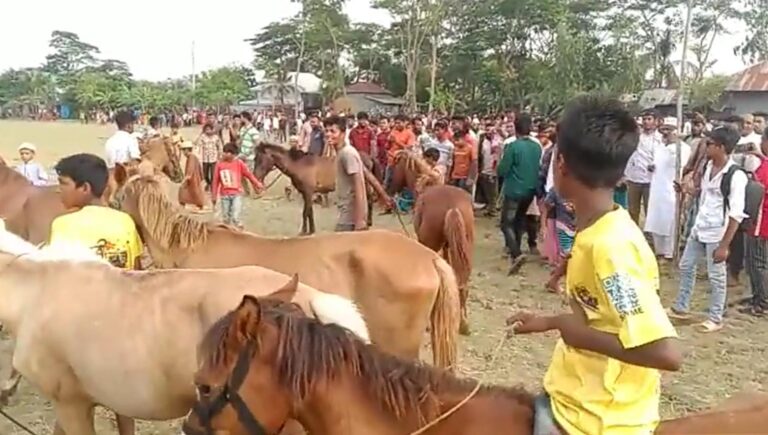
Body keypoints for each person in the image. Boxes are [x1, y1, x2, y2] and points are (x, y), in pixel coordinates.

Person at [509, 96, 681, 435]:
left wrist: (568, 329)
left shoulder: (611, 248)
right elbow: (605, 312)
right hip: (574, 398)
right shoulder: (595, 229)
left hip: (600, 421)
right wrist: (549, 319)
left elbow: (666, 352)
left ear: (560, 165)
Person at [669, 126, 747, 332]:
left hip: (717, 231)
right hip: (700, 226)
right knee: (686, 266)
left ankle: (715, 317)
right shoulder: (707, 167)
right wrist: (685, 189)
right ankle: (681, 306)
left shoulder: (735, 175)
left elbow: (736, 214)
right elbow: (703, 194)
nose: (706, 147)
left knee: (716, 276)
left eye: (710, 144)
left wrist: (724, 245)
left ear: (721, 147)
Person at [49, 153, 143, 270]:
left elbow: (58, 274)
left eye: (63, 183)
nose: (59, 189)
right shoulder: (125, 221)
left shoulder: (63, 225)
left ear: (85, 188)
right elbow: (137, 270)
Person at [497, 114, 542, 274]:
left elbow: (502, 169)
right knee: (519, 220)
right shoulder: (537, 147)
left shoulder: (513, 146)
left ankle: (516, 253)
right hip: (530, 190)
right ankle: (516, 251)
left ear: (515, 128)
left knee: (506, 223)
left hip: (514, 189)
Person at [644, 129, 691, 260]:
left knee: (670, 220)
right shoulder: (659, 147)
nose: (667, 133)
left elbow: (681, 165)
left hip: (671, 188)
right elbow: (656, 163)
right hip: (657, 188)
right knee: (656, 219)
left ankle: (670, 252)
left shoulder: (683, 148)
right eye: (665, 130)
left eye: (670, 130)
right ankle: (659, 251)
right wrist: (652, 167)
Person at [325, 115, 368, 232]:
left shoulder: (347, 154)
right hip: (344, 213)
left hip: (350, 218)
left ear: (343, 134)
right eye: (327, 131)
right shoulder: (340, 153)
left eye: (333, 131)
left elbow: (358, 186)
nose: (328, 134)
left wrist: (360, 220)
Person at [211, 143, 264, 229]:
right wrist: (214, 196)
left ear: (232, 154)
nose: (224, 154)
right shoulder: (219, 164)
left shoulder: (239, 163)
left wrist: (257, 184)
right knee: (225, 218)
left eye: (227, 152)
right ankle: (227, 235)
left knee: (236, 217)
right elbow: (215, 181)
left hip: (236, 194)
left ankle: (240, 232)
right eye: (224, 152)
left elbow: (249, 175)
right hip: (224, 195)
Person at [625, 110, 663, 224]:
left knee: (650, 210)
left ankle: (651, 237)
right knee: (632, 210)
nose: (646, 122)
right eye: (644, 119)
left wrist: (656, 165)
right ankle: (633, 233)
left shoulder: (660, 139)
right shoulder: (636, 137)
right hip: (634, 178)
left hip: (651, 180)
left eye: (649, 119)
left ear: (656, 121)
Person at [178, 141, 206, 211]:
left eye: (184, 150)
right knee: (194, 192)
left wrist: (186, 178)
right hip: (194, 178)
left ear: (187, 150)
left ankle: (199, 205)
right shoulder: (192, 157)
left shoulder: (191, 157)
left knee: (187, 191)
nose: (183, 152)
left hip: (193, 178)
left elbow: (190, 169)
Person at [196, 122, 223, 190]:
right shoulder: (202, 137)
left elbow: (220, 147)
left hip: (214, 158)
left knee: (213, 174)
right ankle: (208, 183)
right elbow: (198, 145)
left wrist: (220, 155)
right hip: (205, 158)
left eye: (209, 129)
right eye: (206, 129)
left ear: (212, 129)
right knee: (205, 174)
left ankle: (212, 186)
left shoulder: (216, 137)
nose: (207, 131)